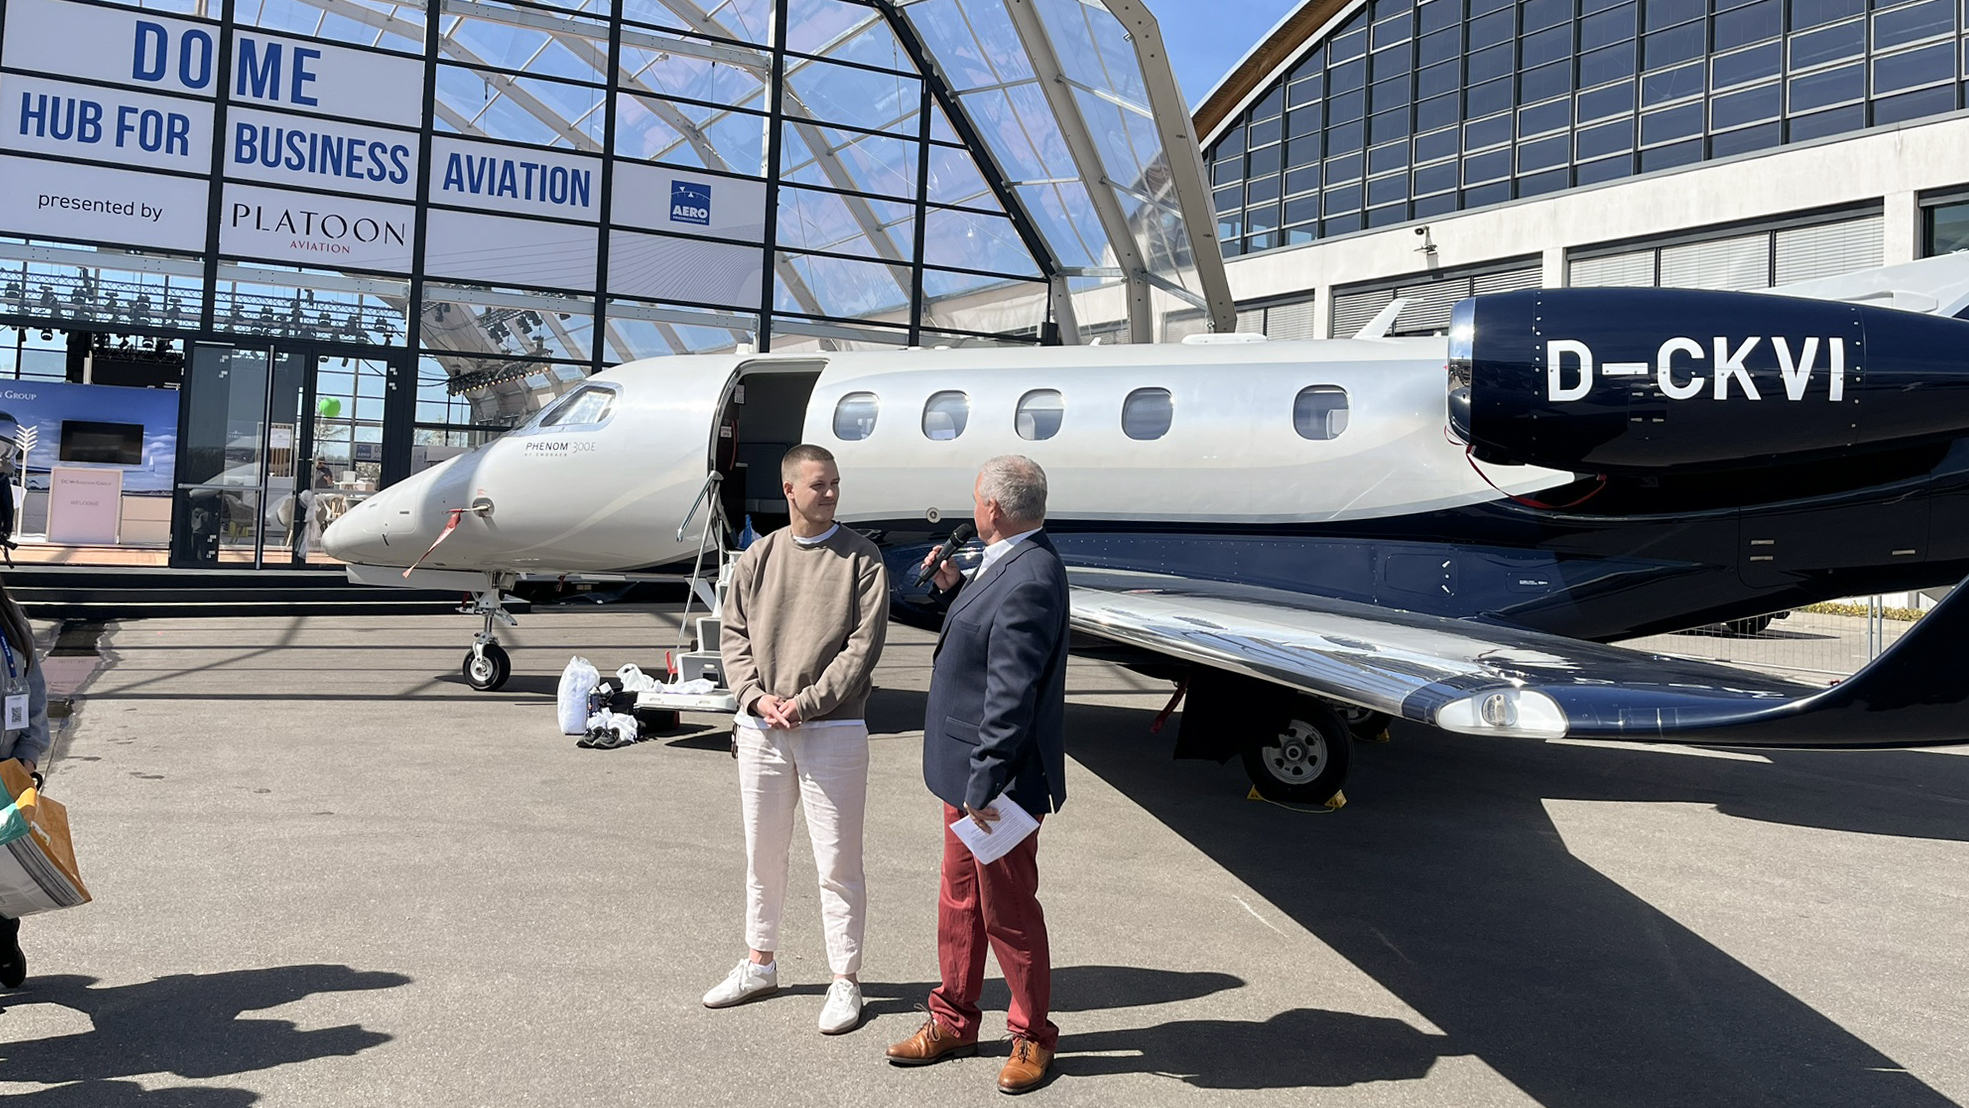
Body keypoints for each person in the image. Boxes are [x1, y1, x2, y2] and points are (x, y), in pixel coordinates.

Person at [886, 455, 1069, 1095]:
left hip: (996, 783)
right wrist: (949, 587)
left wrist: (984, 783)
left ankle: (1031, 1034)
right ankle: (954, 1018)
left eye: (975, 500)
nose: (972, 510)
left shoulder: (1030, 578)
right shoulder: (1006, 562)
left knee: (1009, 910)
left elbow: (1010, 694)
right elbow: (978, 637)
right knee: (959, 899)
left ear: (991, 508)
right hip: (966, 774)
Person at [704, 444, 889, 1034]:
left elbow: (862, 649)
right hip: (761, 728)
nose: (831, 493)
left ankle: (845, 980)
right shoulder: (758, 557)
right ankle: (760, 962)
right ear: (789, 490)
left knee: (838, 862)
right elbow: (732, 635)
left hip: (833, 728)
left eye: (835, 482)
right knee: (764, 856)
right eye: (819, 484)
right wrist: (755, 698)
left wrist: (805, 705)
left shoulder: (863, 560)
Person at [0, 576, 50, 990]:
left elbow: (32, 690)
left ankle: (2, 941)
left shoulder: (9, 616)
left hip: (4, 770)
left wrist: (28, 754)